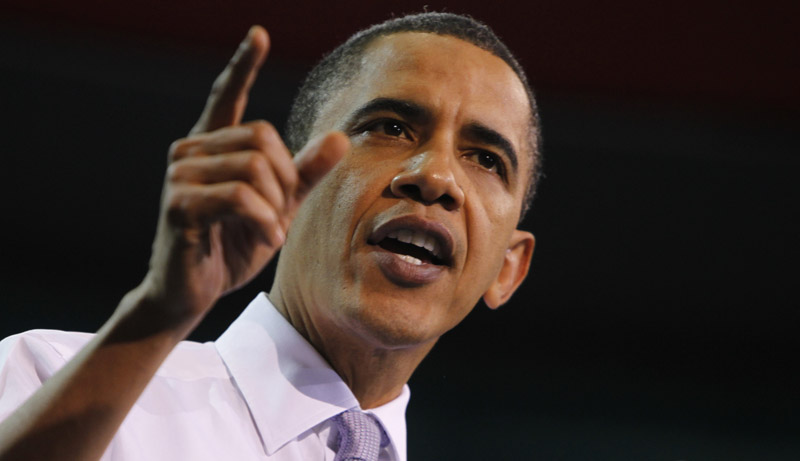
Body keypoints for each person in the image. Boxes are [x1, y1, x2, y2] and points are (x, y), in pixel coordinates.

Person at [0, 12, 540, 461]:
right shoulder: (55, 382)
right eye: (390, 127)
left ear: (507, 270)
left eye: (487, 160)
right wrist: (158, 312)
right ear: (286, 176)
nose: (436, 176)